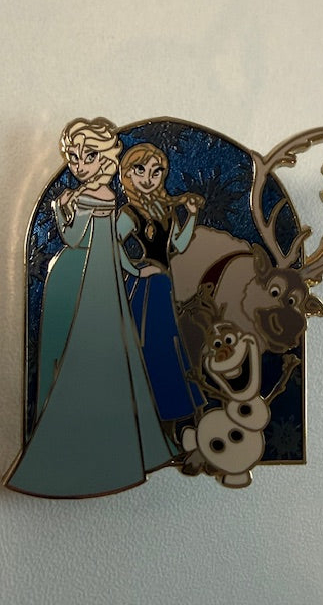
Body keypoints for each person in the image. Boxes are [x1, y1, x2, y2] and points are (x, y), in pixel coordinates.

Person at [4, 119, 173, 498]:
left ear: (106, 158)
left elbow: (74, 237)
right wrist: (134, 268)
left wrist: (60, 208)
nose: (80, 165)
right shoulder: (106, 196)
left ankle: (67, 440)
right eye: (75, 158)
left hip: (79, 277)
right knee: (104, 351)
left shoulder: (88, 197)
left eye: (89, 156)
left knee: (74, 353)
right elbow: (111, 244)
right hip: (97, 277)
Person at [117, 143, 206, 438]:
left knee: (170, 344)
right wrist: (136, 270)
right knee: (152, 347)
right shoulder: (129, 212)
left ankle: (173, 414)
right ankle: (152, 415)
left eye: (156, 172)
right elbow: (111, 244)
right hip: (145, 289)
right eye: (140, 170)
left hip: (163, 285)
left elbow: (177, 245)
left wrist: (191, 215)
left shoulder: (165, 209)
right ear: (127, 174)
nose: (148, 178)